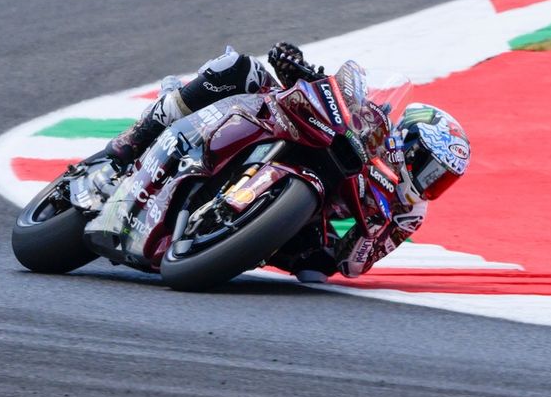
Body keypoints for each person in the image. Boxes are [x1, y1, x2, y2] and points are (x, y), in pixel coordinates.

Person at [80, 43, 471, 283]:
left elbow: (355, 265)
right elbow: (336, 95)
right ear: (409, 143)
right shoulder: (376, 122)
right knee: (238, 69)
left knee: (315, 269)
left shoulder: (409, 212)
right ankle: (130, 145)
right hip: (282, 127)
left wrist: (365, 232)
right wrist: (297, 69)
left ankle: (227, 230)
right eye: (429, 169)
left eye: (441, 180)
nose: (429, 184)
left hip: (306, 218)